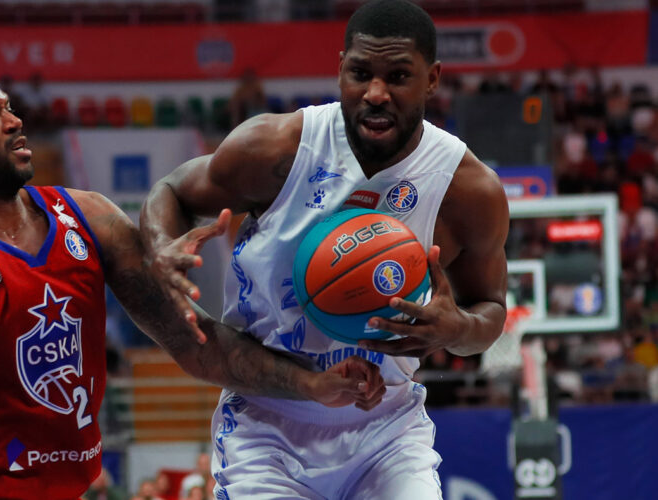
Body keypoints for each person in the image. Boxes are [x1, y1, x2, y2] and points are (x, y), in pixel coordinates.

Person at [0, 68, 385, 498]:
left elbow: (195, 343)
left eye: (10, 107)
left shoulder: (87, 216)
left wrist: (311, 383)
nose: (14, 121)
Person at [140, 0, 509, 498]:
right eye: (360, 73)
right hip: (267, 421)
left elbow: (490, 311)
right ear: (340, 70)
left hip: (386, 430)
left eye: (398, 76)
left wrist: (458, 328)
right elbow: (172, 190)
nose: (375, 93)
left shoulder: (467, 189)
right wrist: (161, 248)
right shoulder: (276, 148)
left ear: (433, 79)